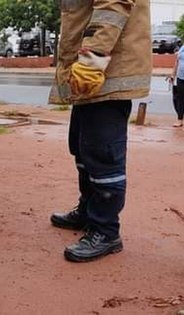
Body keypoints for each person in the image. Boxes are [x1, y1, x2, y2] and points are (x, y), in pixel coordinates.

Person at [48, 0, 151, 262]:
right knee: (82, 149)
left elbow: (112, 8)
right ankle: (88, 211)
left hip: (104, 72)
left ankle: (106, 231)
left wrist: (91, 61)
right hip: (91, 74)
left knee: (103, 156)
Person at [168, 45, 184, 127]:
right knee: (179, 99)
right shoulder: (182, 48)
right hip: (180, 77)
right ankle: (180, 119)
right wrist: (173, 74)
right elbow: (177, 61)